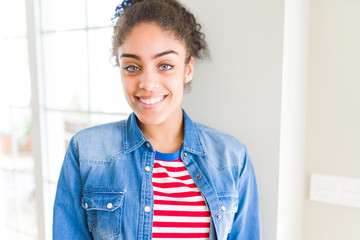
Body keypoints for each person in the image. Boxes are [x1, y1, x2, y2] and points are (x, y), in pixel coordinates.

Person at [53, 0, 261, 239]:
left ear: (188, 69)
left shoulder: (232, 158)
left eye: (164, 65)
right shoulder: (87, 152)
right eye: (132, 67)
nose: (148, 83)